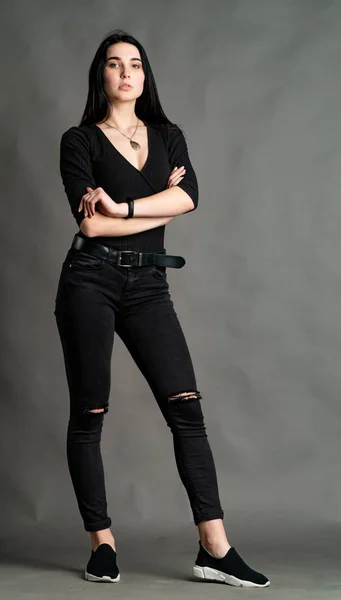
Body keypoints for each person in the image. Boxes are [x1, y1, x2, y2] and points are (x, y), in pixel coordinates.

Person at [54, 28, 270, 588]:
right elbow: (90, 224)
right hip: (89, 281)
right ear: (100, 76)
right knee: (91, 411)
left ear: (146, 76)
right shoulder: (79, 142)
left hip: (149, 286)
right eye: (114, 64)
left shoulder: (169, 135)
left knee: (186, 407)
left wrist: (124, 204)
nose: (126, 73)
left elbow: (190, 199)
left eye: (136, 64)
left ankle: (214, 549)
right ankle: (102, 542)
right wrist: (161, 205)